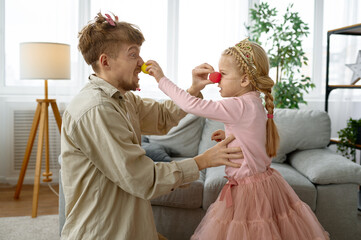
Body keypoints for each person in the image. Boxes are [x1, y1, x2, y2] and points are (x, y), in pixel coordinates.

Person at [60, 12, 243, 240]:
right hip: (104, 232)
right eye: (133, 54)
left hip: (131, 228)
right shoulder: (97, 109)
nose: (142, 63)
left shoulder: (123, 99)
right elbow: (142, 178)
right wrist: (202, 161)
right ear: (105, 61)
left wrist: (193, 90)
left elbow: (163, 116)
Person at [146, 38, 330, 240]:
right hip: (266, 184)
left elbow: (191, 106)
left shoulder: (237, 105)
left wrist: (161, 79)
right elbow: (252, 136)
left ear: (244, 80)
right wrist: (231, 137)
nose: (216, 79)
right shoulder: (254, 102)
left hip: (247, 191)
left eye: (223, 74)